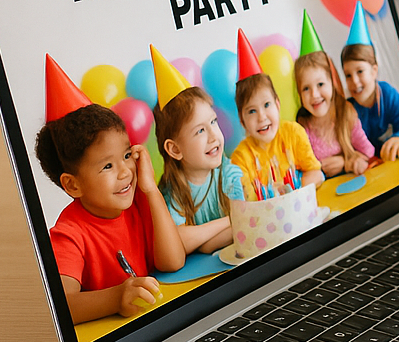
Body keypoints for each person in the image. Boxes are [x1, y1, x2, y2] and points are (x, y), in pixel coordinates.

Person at [36, 55, 186, 324]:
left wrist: (151, 189)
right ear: (72, 184)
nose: (125, 171)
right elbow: (60, 306)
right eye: (107, 166)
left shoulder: (138, 199)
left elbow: (173, 261)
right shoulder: (69, 235)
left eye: (127, 155)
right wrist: (115, 298)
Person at [154, 69, 244, 255]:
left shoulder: (229, 175)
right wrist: (228, 221)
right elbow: (180, 242)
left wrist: (203, 242)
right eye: (200, 131)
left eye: (213, 122)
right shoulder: (174, 191)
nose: (213, 136)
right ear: (175, 149)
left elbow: (244, 223)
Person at [231, 34, 324, 195]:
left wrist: (291, 194)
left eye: (267, 105)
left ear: (278, 104)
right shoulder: (240, 158)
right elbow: (245, 200)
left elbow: (316, 173)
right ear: (242, 121)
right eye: (252, 111)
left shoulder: (293, 133)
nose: (262, 117)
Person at [340, 1, 399, 162]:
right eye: (348, 75)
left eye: (360, 71)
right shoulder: (349, 108)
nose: (354, 81)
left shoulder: (387, 94)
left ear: (374, 71)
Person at [296, 48, 374, 177]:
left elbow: (368, 152)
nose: (314, 94)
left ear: (332, 83)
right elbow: (298, 172)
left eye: (320, 84)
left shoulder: (346, 114)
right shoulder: (301, 127)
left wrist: (345, 162)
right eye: (306, 88)